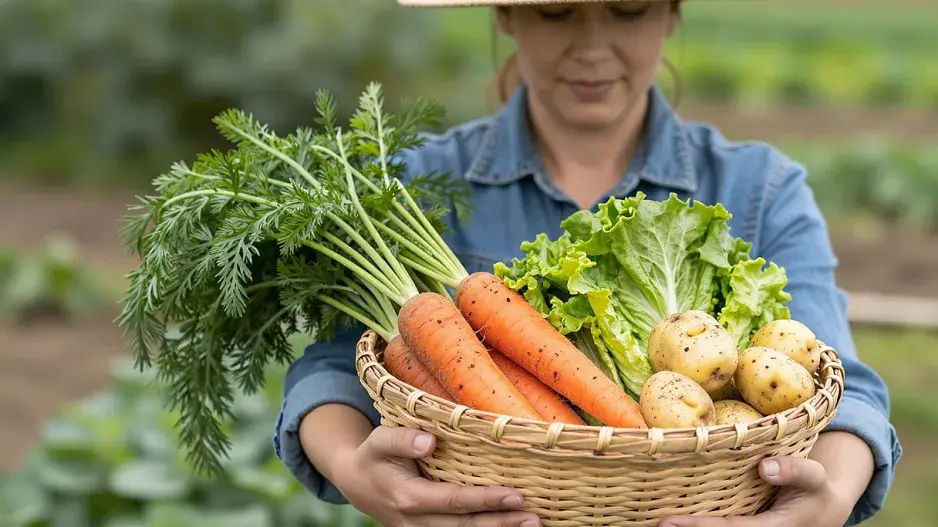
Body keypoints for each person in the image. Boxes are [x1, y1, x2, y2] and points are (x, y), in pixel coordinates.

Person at [273, 1, 902, 526]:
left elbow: (842, 387)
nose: (592, 46)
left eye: (628, 9)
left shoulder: (761, 188)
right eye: (556, 12)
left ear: (672, 13)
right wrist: (353, 468)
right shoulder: (413, 183)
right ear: (506, 15)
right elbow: (333, 367)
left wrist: (828, 500)